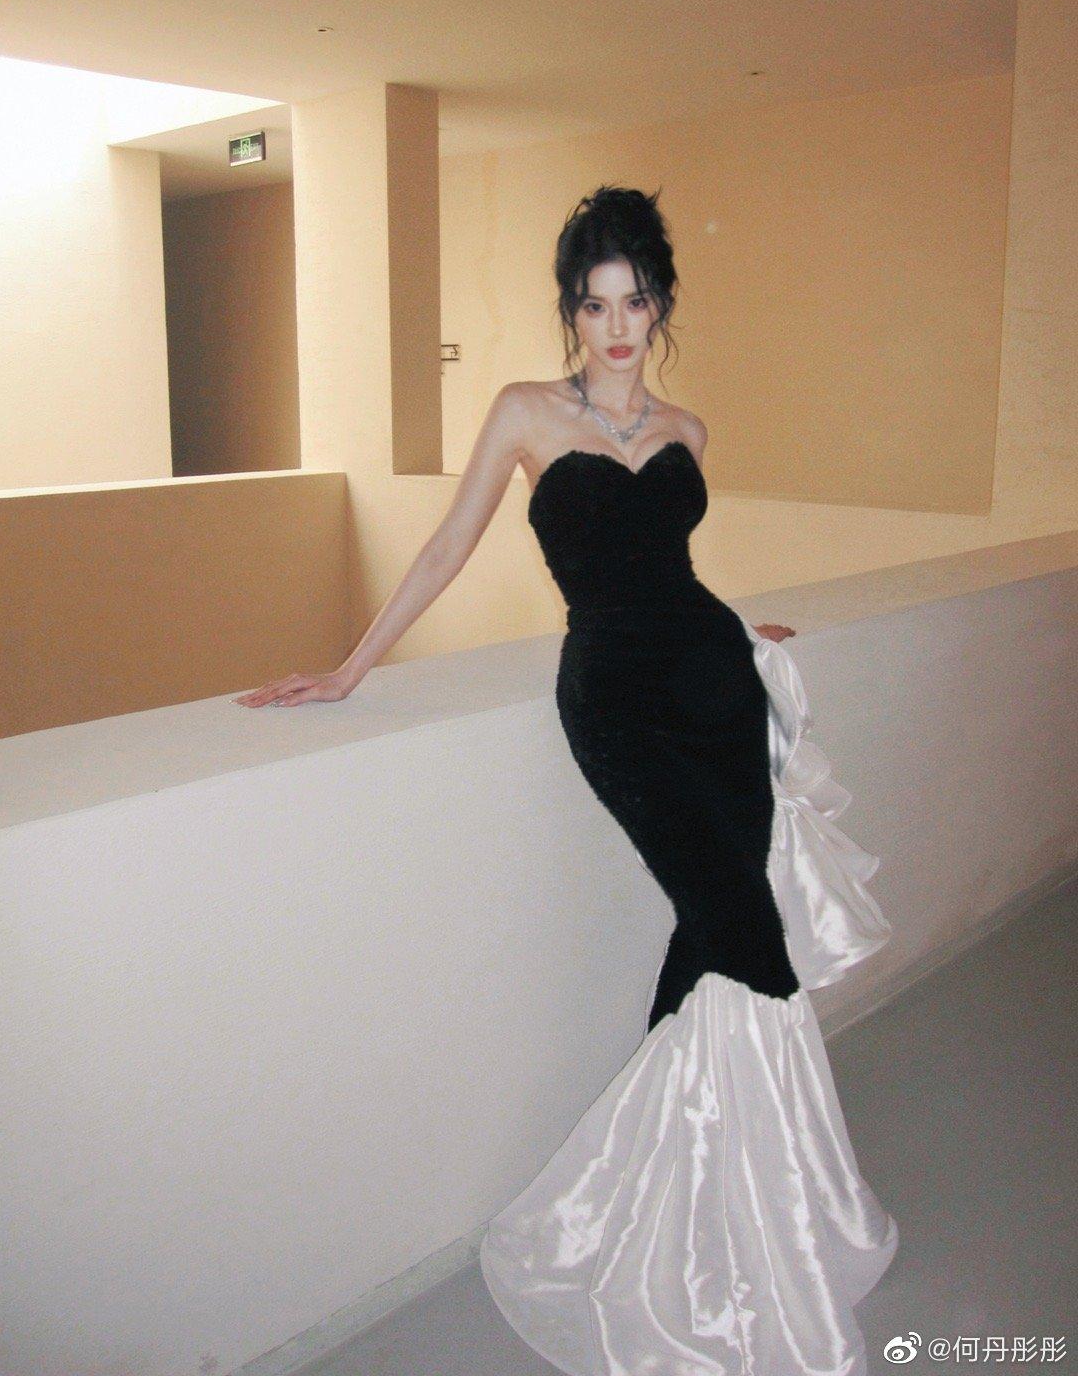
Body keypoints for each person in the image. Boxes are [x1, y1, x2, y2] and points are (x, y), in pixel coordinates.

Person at [236, 185, 898, 1375]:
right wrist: (350, 667)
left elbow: (667, 569)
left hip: (716, 691)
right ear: (570, 312)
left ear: (661, 303)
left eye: (635, 301)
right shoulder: (524, 413)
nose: (616, 325)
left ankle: (698, 1207)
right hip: (617, 707)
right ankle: (674, 1216)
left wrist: (740, 631)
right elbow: (448, 543)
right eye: (595, 305)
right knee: (742, 931)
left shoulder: (689, 429)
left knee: (715, 934)